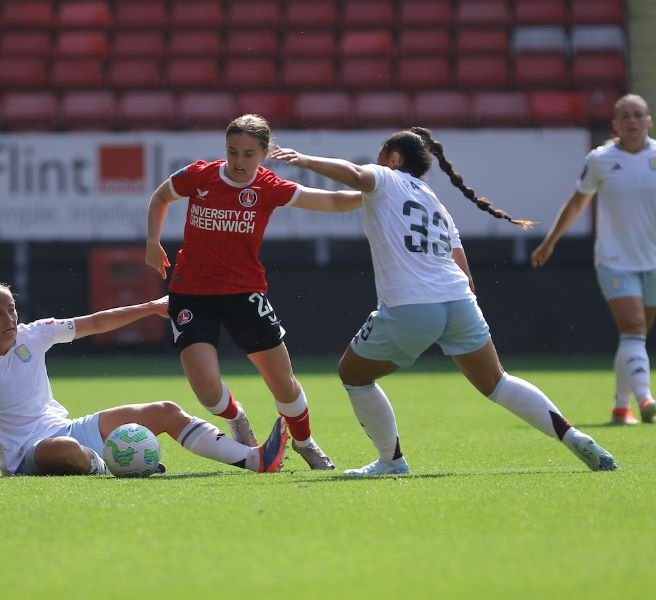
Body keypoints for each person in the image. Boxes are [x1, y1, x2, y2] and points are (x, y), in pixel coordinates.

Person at [270, 127, 618, 475]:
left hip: (412, 305)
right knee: (497, 382)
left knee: (353, 374)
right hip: (459, 301)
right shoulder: (434, 202)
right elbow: (465, 274)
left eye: (381, 156)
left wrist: (304, 159)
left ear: (393, 159)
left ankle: (391, 462)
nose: (377, 163)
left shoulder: (386, 177)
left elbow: (355, 173)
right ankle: (572, 436)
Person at [145, 113, 362, 470]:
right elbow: (160, 197)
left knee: (282, 383)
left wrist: (376, 194)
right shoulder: (200, 175)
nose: (238, 161)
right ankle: (236, 417)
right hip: (191, 292)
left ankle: (305, 442)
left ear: (264, 153)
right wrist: (153, 242)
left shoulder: (269, 187)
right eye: (232, 152)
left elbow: (334, 201)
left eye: (248, 154)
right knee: (204, 385)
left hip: (243, 292)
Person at [0, 282, 288, 479]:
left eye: (11, 309)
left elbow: (96, 321)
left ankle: (256, 460)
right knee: (64, 452)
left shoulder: (35, 334)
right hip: (27, 455)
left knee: (164, 411)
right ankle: (115, 464)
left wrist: (150, 308)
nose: (8, 319)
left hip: (67, 428)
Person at [531, 94, 656, 426]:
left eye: (638, 115)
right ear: (615, 125)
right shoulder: (600, 160)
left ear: (649, 121)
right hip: (615, 259)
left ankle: (620, 408)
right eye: (625, 116)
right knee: (633, 328)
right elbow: (576, 204)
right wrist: (550, 241)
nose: (632, 121)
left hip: (653, 261)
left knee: (635, 338)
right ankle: (646, 399)